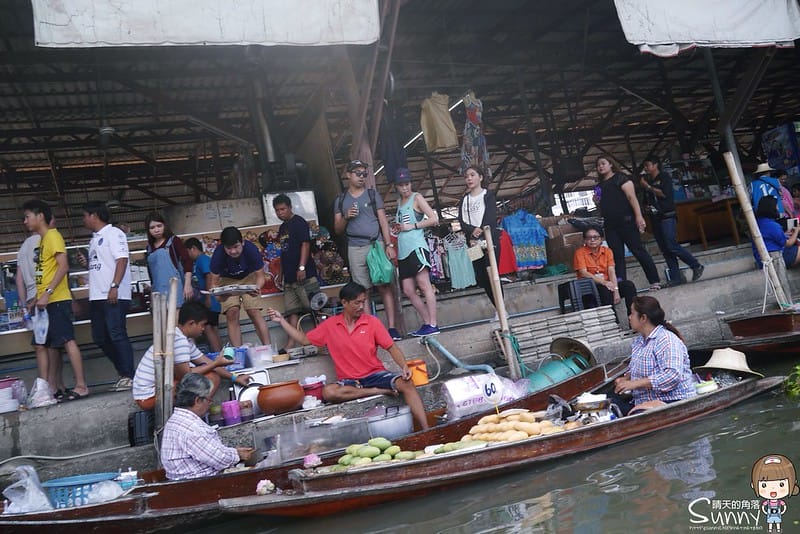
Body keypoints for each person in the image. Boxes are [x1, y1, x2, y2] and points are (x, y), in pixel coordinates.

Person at [266, 282, 429, 431]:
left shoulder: (371, 322)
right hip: (350, 382)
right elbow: (303, 339)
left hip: (375, 374)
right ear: (344, 303)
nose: (361, 306)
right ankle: (377, 391)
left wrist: (404, 366)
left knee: (407, 384)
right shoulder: (330, 325)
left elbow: (391, 347)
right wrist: (282, 321)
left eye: (363, 302)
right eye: (356, 302)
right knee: (329, 392)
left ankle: (426, 429)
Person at [22, 200, 90, 400]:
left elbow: (63, 266)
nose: (25, 221)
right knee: (50, 344)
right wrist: (37, 297)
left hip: (57, 300)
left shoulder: (53, 236)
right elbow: (48, 271)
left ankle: (81, 385)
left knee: (68, 341)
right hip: (47, 302)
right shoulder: (43, 240)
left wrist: (47, 293)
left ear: (40, 216)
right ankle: (53, 387)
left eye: (27, 216)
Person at [133, 301, 250, 410]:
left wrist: (235, 377)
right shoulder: (179, 341)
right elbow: (185, 375)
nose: (203, 329)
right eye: (202, 325)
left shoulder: (182, 339)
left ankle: (195, 411)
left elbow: (206, 362)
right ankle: (195, 412)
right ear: (191, 323)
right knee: (211, 378)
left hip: (155, 392)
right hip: (149, 397)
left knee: (212, 375)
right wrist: (216, 363)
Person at [333, 159, 401, 341]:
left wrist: (389, 245)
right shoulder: (340, 200)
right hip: (355, 247)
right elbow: (338, 229)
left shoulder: (372, 195)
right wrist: (346, 217)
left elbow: (383, 221)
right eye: (358, 173)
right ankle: (372, 331)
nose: (362, 177)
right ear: (348, 175)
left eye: (364, 173)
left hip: (375, 244)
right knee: (363, 292)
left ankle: (392, 328)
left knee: (385, 285)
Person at [82, 201, 136, 392]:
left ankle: (129, 375)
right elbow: (101, 264)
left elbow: (122, 259)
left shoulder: (114, 234)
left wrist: (114, 285)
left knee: (117, 333)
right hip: (96, 295)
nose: (84, 220)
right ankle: (123, 372)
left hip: (114, 294)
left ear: (94, 215)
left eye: (85, 215)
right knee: (100, 337)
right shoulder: (94, 239)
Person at [160, 373, 255, 480]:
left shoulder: (176, 419)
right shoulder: (191, 427)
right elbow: (219, 459)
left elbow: (210, 453)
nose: (210, 404)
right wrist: (238, 455)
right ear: (197, 400)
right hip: (199, 484)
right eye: (209, 399)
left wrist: (234, 452)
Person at [613, 295, 696, 415]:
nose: (629, 317)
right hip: (643, 401)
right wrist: (626, 379)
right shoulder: (639, 341)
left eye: (632, 313)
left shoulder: (666, 339)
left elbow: (672, 375)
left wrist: (633, 384)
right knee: (610, 404)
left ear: (643, 318)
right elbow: (639, 370)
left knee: (634, 414)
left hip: (672, 400)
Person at [595, 156, 662, 290]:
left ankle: (654, 280)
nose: (600, 167)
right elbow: (599, 202)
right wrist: (596, 200)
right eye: (598, 165)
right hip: (610, 225)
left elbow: (632, 198)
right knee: (616, 256)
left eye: (603, 163)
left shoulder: (621, 178)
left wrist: (639, 216)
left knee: (638, 250)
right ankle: (621, 285)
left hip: (626, 221)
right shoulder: (599, 185)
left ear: (611, 165)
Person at [640, 156, 704, 285]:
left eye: (648, 165)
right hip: (655, 217)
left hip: (667, 215)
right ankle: (675, 278)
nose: (646, 168)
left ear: (656, 164)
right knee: (665, 249)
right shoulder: (647, 180)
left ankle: (695, 264)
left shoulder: (664, 177)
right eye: (645, 166)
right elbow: (646, 199)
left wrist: (648, 187)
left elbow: (664, 194)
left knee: (671, 244)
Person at [393, 168, 440, 336]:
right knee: (407, 289)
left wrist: (412, 226)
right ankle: (427, 321)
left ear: (411, 183)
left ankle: (433, 323)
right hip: (403, 250)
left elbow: (434, 219)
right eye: (401, 185)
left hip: (416, 247)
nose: (405, 188)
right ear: (396, 187)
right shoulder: (399, 202)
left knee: (424, 284)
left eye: (407, 184)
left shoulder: (417, 197)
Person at [209, 226, 271, 347]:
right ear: (223, 247)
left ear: (242, 242)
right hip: (227, 281)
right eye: (228, 248)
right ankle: (238, 352)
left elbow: (260, 277)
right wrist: (221, 296)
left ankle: (267, 349)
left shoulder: (251, 250)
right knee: (232, 312)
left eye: (236, 247)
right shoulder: (218, 255)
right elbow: (213, 284)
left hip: (249, 277)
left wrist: (257, 288)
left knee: (253, 311)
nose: (233, 251)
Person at [272, 194, 320, 349]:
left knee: (315, 309)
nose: (280, 213)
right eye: (277, 210)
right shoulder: (282, 227)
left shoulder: (299, 222)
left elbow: (305, 245)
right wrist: (281, 273)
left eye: (283, 209)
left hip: (305, 275)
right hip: (289, 278)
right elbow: (283, 252)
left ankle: (322, 340)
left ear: (290, 207)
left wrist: (302, 267)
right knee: (291, 311)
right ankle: (290, 344)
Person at [457, 165, 502, 309]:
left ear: (480, 177)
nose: (469, 178)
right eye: (466, 176)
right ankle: (497, 309)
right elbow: (461, 220)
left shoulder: (488, 195)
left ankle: (502, 309)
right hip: (472, 243)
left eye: (472, 175)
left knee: (492, 273)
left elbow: (490, 217)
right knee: (482, 276)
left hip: (489, 240)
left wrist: (480, 231)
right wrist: (472, 231)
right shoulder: (464, 200)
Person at [573, 227, 637, 315]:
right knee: (605, 290)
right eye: (589, 237)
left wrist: (616, 290)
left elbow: (611, 271)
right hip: (591, 286)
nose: (592, 240)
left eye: (596, 237)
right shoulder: (579, 253)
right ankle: (614, 323)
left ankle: (633, 318)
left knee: (628, 285)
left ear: (601, 239)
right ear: (584, 240)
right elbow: (583, 273)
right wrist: (604, 282)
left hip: (608, 284)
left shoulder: (607, 251)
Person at [144, 212, 193, 308]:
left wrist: (188, 285)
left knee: (176, 319)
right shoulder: (149, 248)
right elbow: (151, 274)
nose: (156, 230)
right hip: (158, 291)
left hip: (176, 288)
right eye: (152, 228)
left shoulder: (174, 241)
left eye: (159, 226)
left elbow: (188, 261)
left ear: (164, 225)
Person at [184, 238, 222, 353]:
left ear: (193, 249)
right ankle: (220, 353)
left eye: (187, 252)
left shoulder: (202, 260)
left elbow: (209, 276)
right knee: (213, 328)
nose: (187, 256)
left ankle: (217, 353)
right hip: (212, 301)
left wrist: (208, 297)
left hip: (210, 300)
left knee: (208, 327)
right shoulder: (201, 260)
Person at [750, 454, 799, 533]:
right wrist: (766, 511)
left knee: (777, 522)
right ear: (753, 485)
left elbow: (784, 506)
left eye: (781, 484)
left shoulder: (779, 502)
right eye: (764, 485)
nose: (773, 490)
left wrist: (782, 511)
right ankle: (770, 529)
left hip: (777, 513)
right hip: (770, 513)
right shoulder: (768, 502)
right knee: (770, 522)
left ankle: (777, 529)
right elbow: (763, 506)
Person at [753, 195, 800, 268]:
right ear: (771, 208)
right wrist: (797, 230)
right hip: (774, 257)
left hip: (762, 257)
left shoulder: (759, 222)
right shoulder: (772, 225)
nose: (778, 208)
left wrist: (784, 234)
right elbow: (788, 244)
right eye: (776, 206)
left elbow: (770, 237)